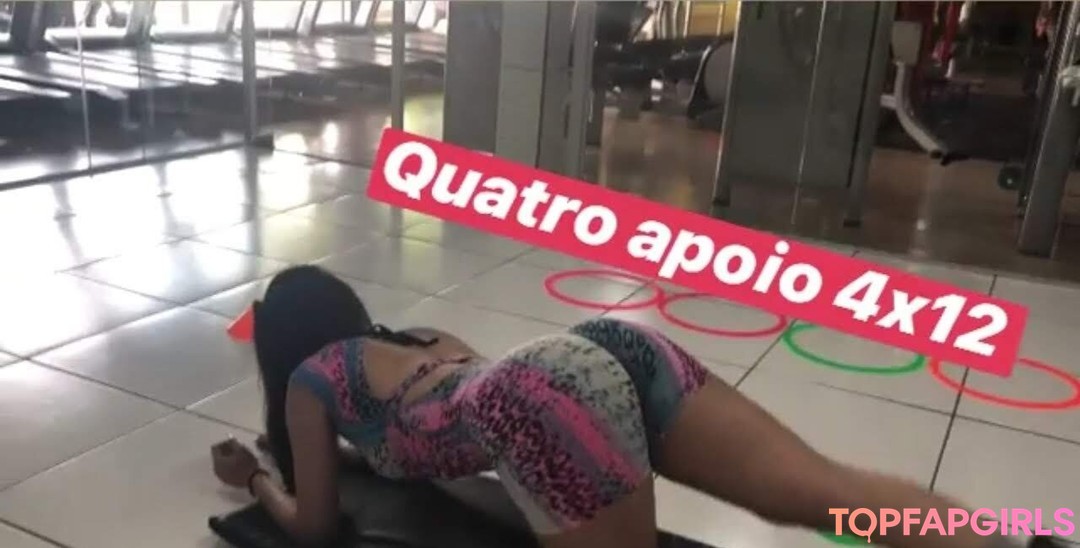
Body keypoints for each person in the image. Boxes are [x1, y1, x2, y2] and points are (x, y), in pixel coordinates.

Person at [211, 265, 1063, 548]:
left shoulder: (310, 381)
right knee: (824, 490)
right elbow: (463, 416)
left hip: (545, 393)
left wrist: (256, 479)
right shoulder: (421, 337)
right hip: (608, 348)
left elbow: (316, 527)